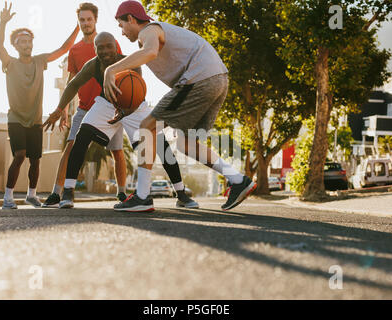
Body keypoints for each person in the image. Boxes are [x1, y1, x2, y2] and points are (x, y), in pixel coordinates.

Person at [105, 1, 257, 212]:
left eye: (121, 25)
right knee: (186, 144)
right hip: (218, 80)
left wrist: (110, 70)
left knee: (147, 126)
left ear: (131, 18)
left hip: (198, 79)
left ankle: (142, 196)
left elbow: (149, 52)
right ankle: (238, 180)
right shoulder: (155, 33)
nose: (121, 32)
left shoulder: (148, 30)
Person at [43, 32, 199, 210]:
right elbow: (73, 85)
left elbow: (137, 92)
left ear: (116, 46)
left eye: (109, 46)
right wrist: (59, 108)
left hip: (134, 105)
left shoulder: (130, 62)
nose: (105, 50)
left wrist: (125, 111)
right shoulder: (93, 65)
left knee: (160, 142)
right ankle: (68, 191)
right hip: (107, 102)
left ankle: (181, 194)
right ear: (95, 50)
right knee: (82, 135)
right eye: (100, 47)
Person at [42, 2, 129, 207]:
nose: (86, 23)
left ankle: (122, 193)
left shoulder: (109, 42)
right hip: (84, 107)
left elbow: (122, 70)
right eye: (82, 19)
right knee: (71, 147)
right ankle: (58, 192)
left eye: (89, 19)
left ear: (95, 20)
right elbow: (71, 81)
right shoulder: (75, 50)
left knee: (117, 151)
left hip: (110, 106)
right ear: (78, 22)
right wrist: (63, 108)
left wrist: (123, 105)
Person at [0, 2, 80, 209]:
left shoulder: (40, 61)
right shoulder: (10, 63)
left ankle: (31, 195)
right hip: (16, 118)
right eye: (22, 42)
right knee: (19, 155)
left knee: (35, 159)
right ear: (15, 45)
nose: (27, 44)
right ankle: (8, 197)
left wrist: (78, 26)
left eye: (29, 41)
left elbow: (63, 49)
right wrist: (3, 23)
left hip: (35, 120)